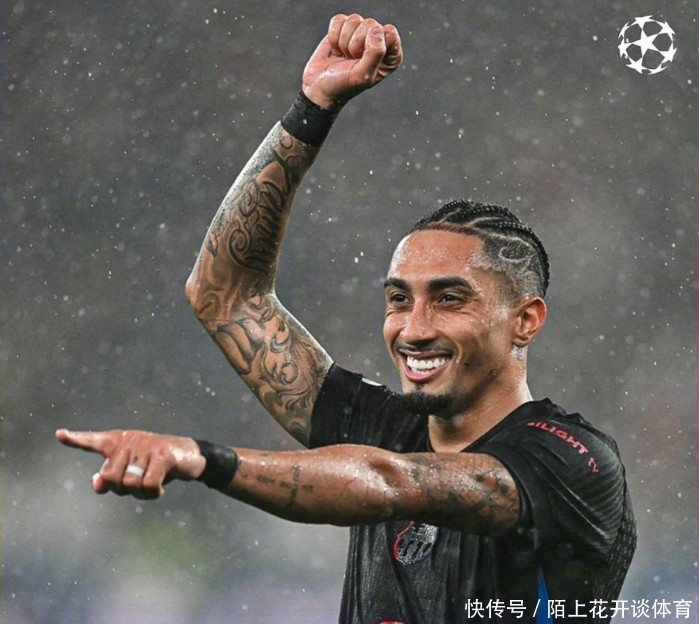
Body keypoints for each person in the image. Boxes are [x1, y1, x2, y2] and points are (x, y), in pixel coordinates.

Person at [57, 13, 636, 624]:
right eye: (399, 299)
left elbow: (391, 482)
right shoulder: (382, 426)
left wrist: (205, 459)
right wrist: (311, 109)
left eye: (449, 299)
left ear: (526, 321)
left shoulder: (570, 460)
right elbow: (225, 295)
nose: (414, 329)